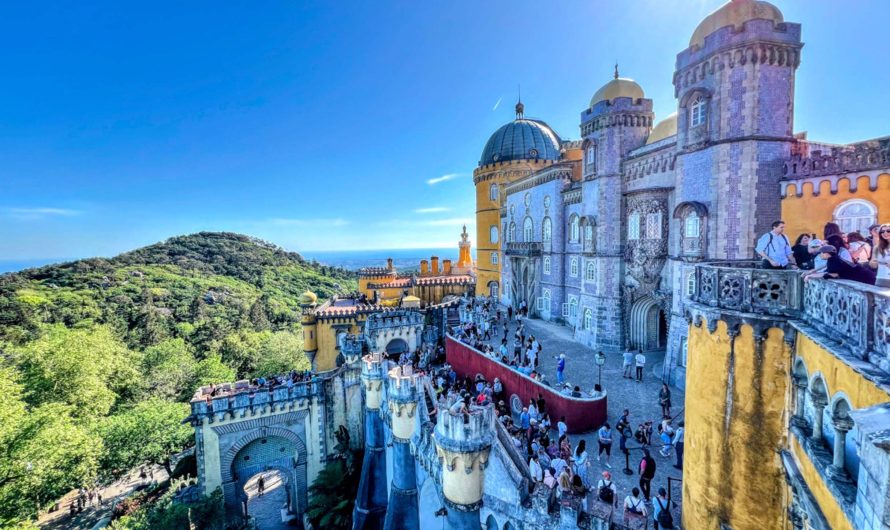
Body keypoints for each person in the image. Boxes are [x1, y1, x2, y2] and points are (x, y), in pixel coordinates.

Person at [806, 245, 876, 285]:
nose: (819, 255)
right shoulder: (834, 259)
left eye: (820, 253)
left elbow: (833, 274)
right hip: (866, 275)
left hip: (866, 277)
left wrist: (811, 276)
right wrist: (811, 273)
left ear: (826, 253)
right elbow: (827, 270)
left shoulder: (834, 261)